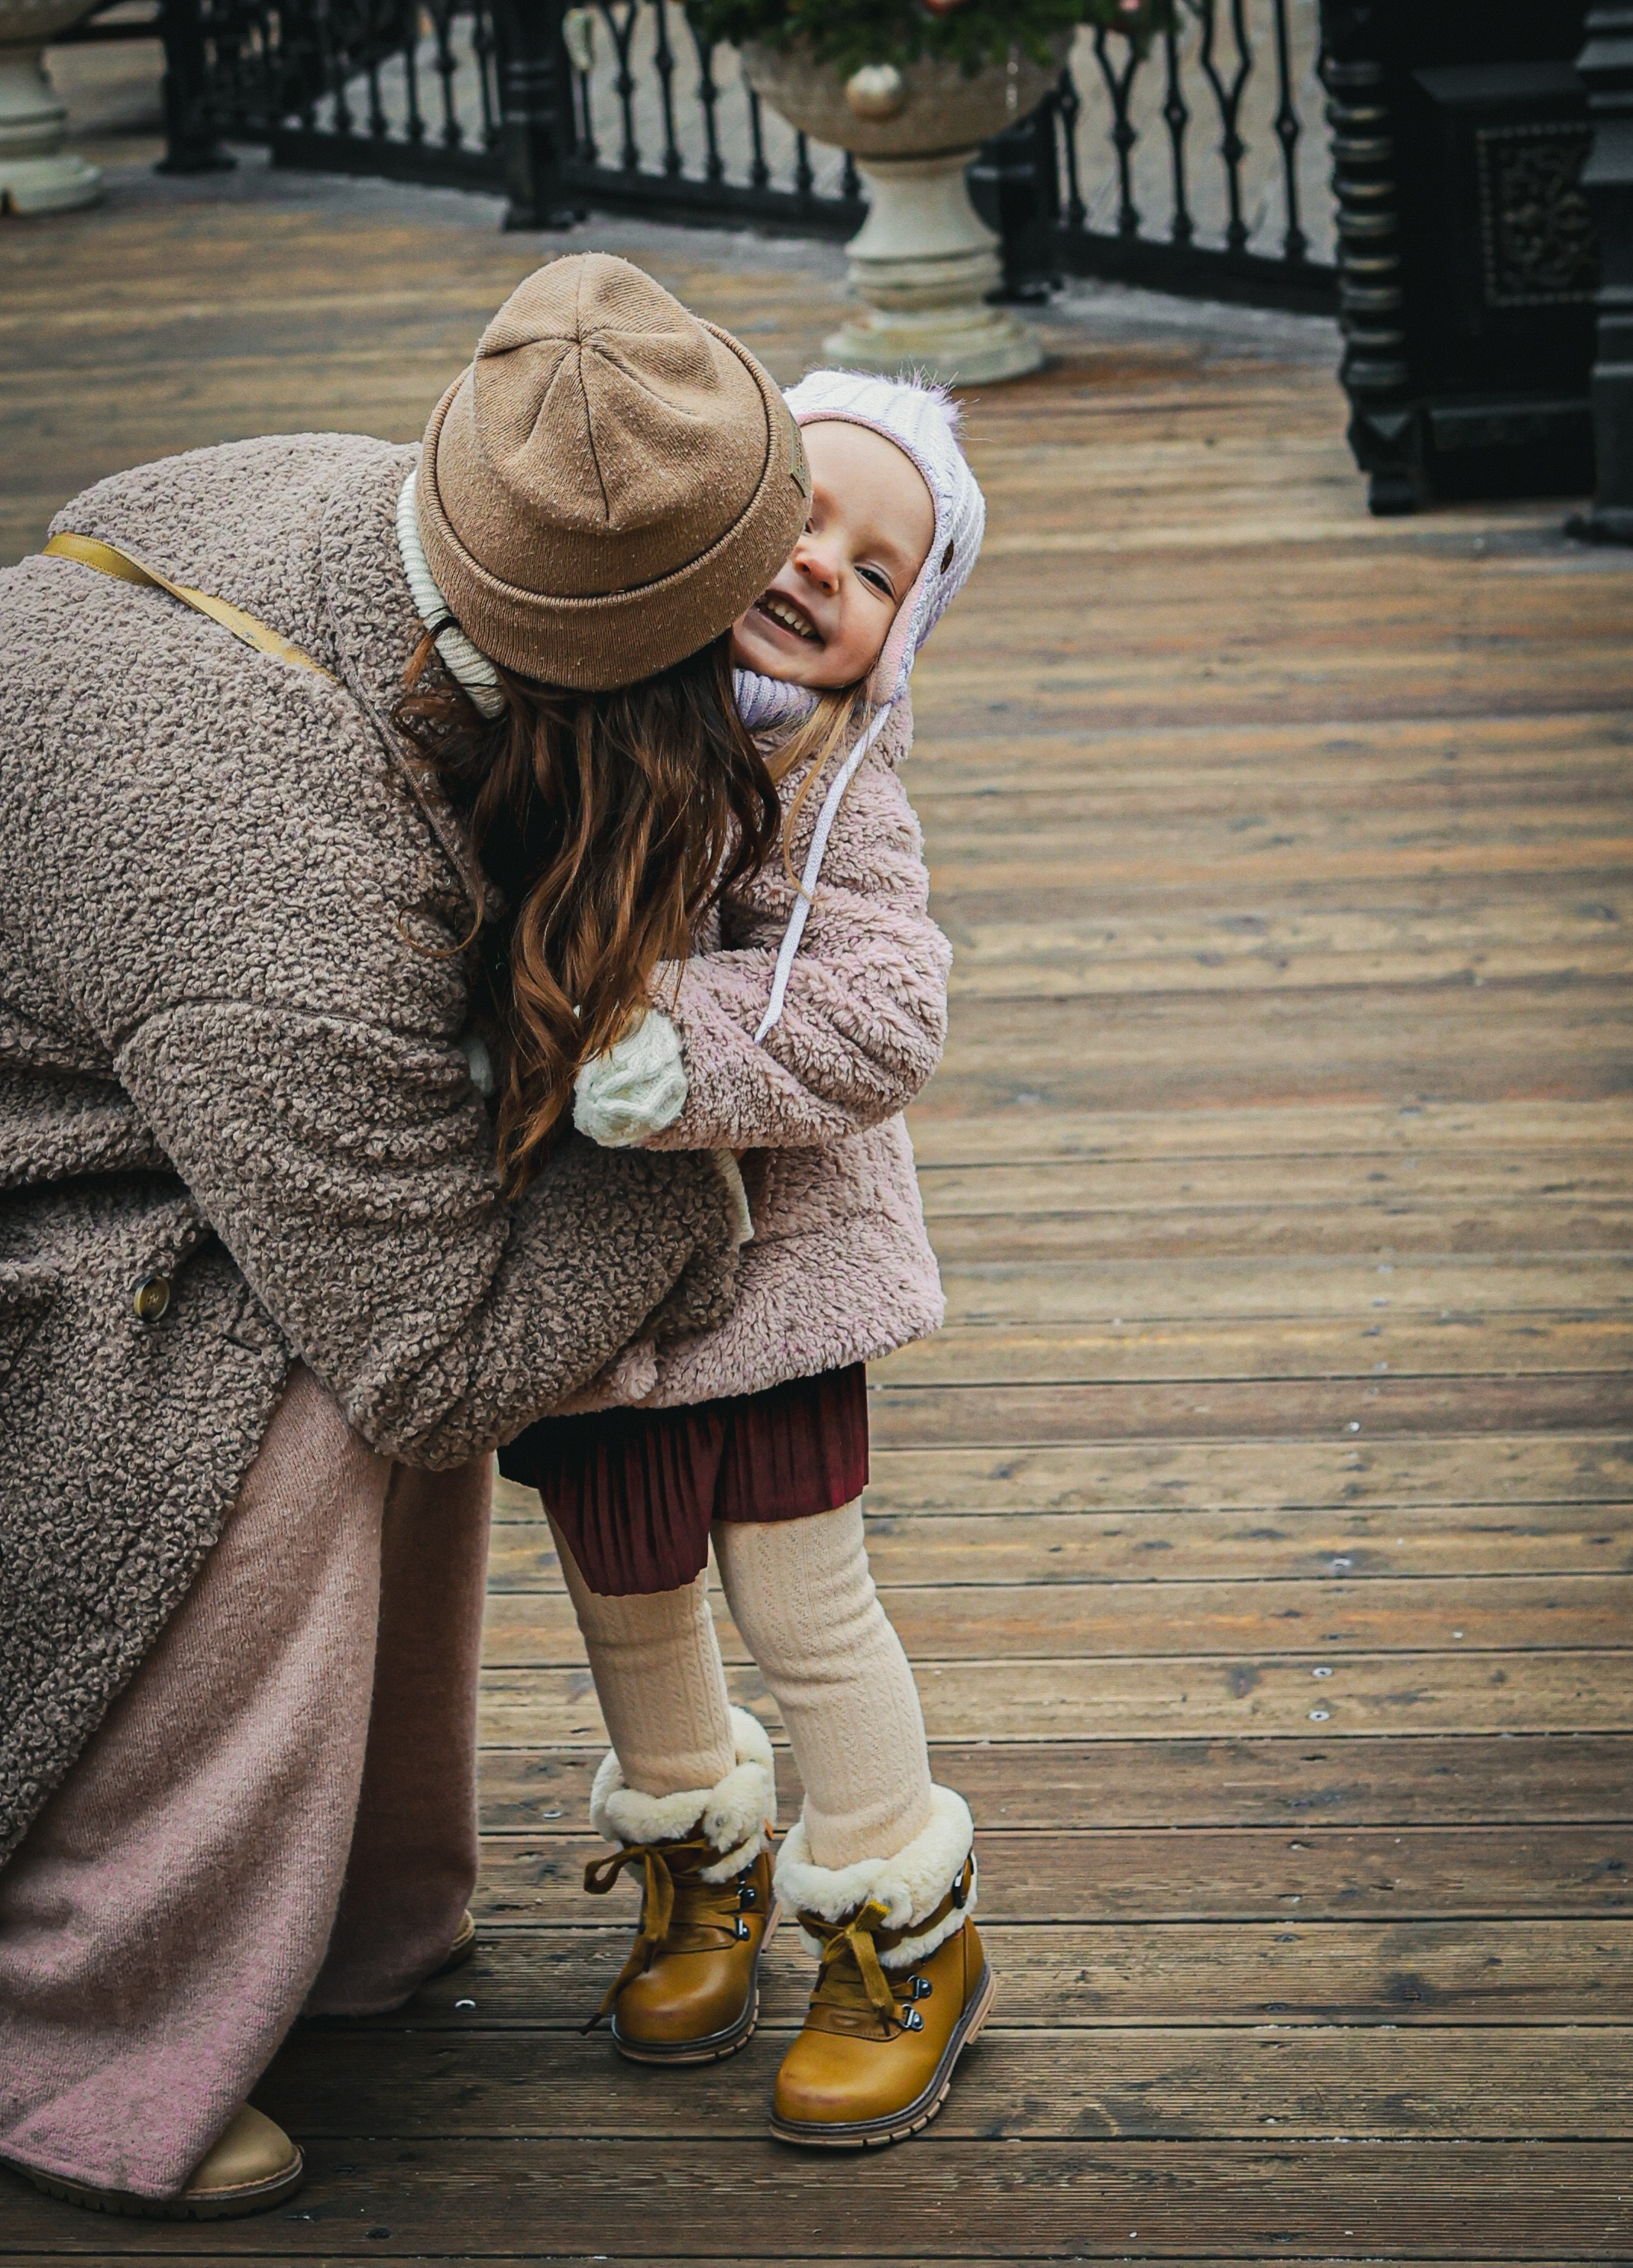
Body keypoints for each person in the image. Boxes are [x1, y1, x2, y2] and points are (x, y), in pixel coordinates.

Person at [0, 253, 810, 2220]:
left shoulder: (419, 506)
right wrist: (697, 1161)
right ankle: (73, 2032)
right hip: (58, 1207)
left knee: (384, 1257)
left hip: (149, 1082)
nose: (768, 681)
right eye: (734, 652)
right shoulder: (250, 851)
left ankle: (341, 1919)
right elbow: (436, 1360)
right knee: (283, 1394)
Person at [499, 372, 992, 2148]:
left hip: (782, 1276)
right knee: (626, 1595)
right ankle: (696, 1859)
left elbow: (883, 1009)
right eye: (806, 517)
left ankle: (894, 1924)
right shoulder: (547, 700)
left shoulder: (834, 782)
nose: (822, 571)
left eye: (877, 568)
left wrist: (675, 1046)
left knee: (803, 1603)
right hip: (589, 1282)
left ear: (897, 642)